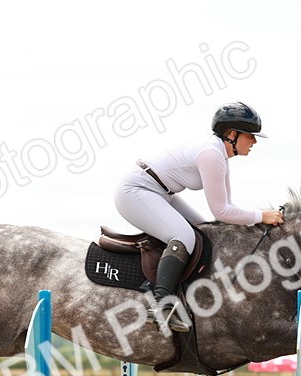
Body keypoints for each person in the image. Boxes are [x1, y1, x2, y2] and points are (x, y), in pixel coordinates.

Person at [114, 101, 284, 332]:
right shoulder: (212, 154)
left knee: (204, 231)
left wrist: (258, 217)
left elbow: (227, 208)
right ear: (232, 135)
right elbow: (222, 212)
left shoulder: (220, 156)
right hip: (136, 191)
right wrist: (261, 216)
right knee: (184, 235)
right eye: (250, 136)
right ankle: (162, 305)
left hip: (160, 192)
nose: (254, 141)